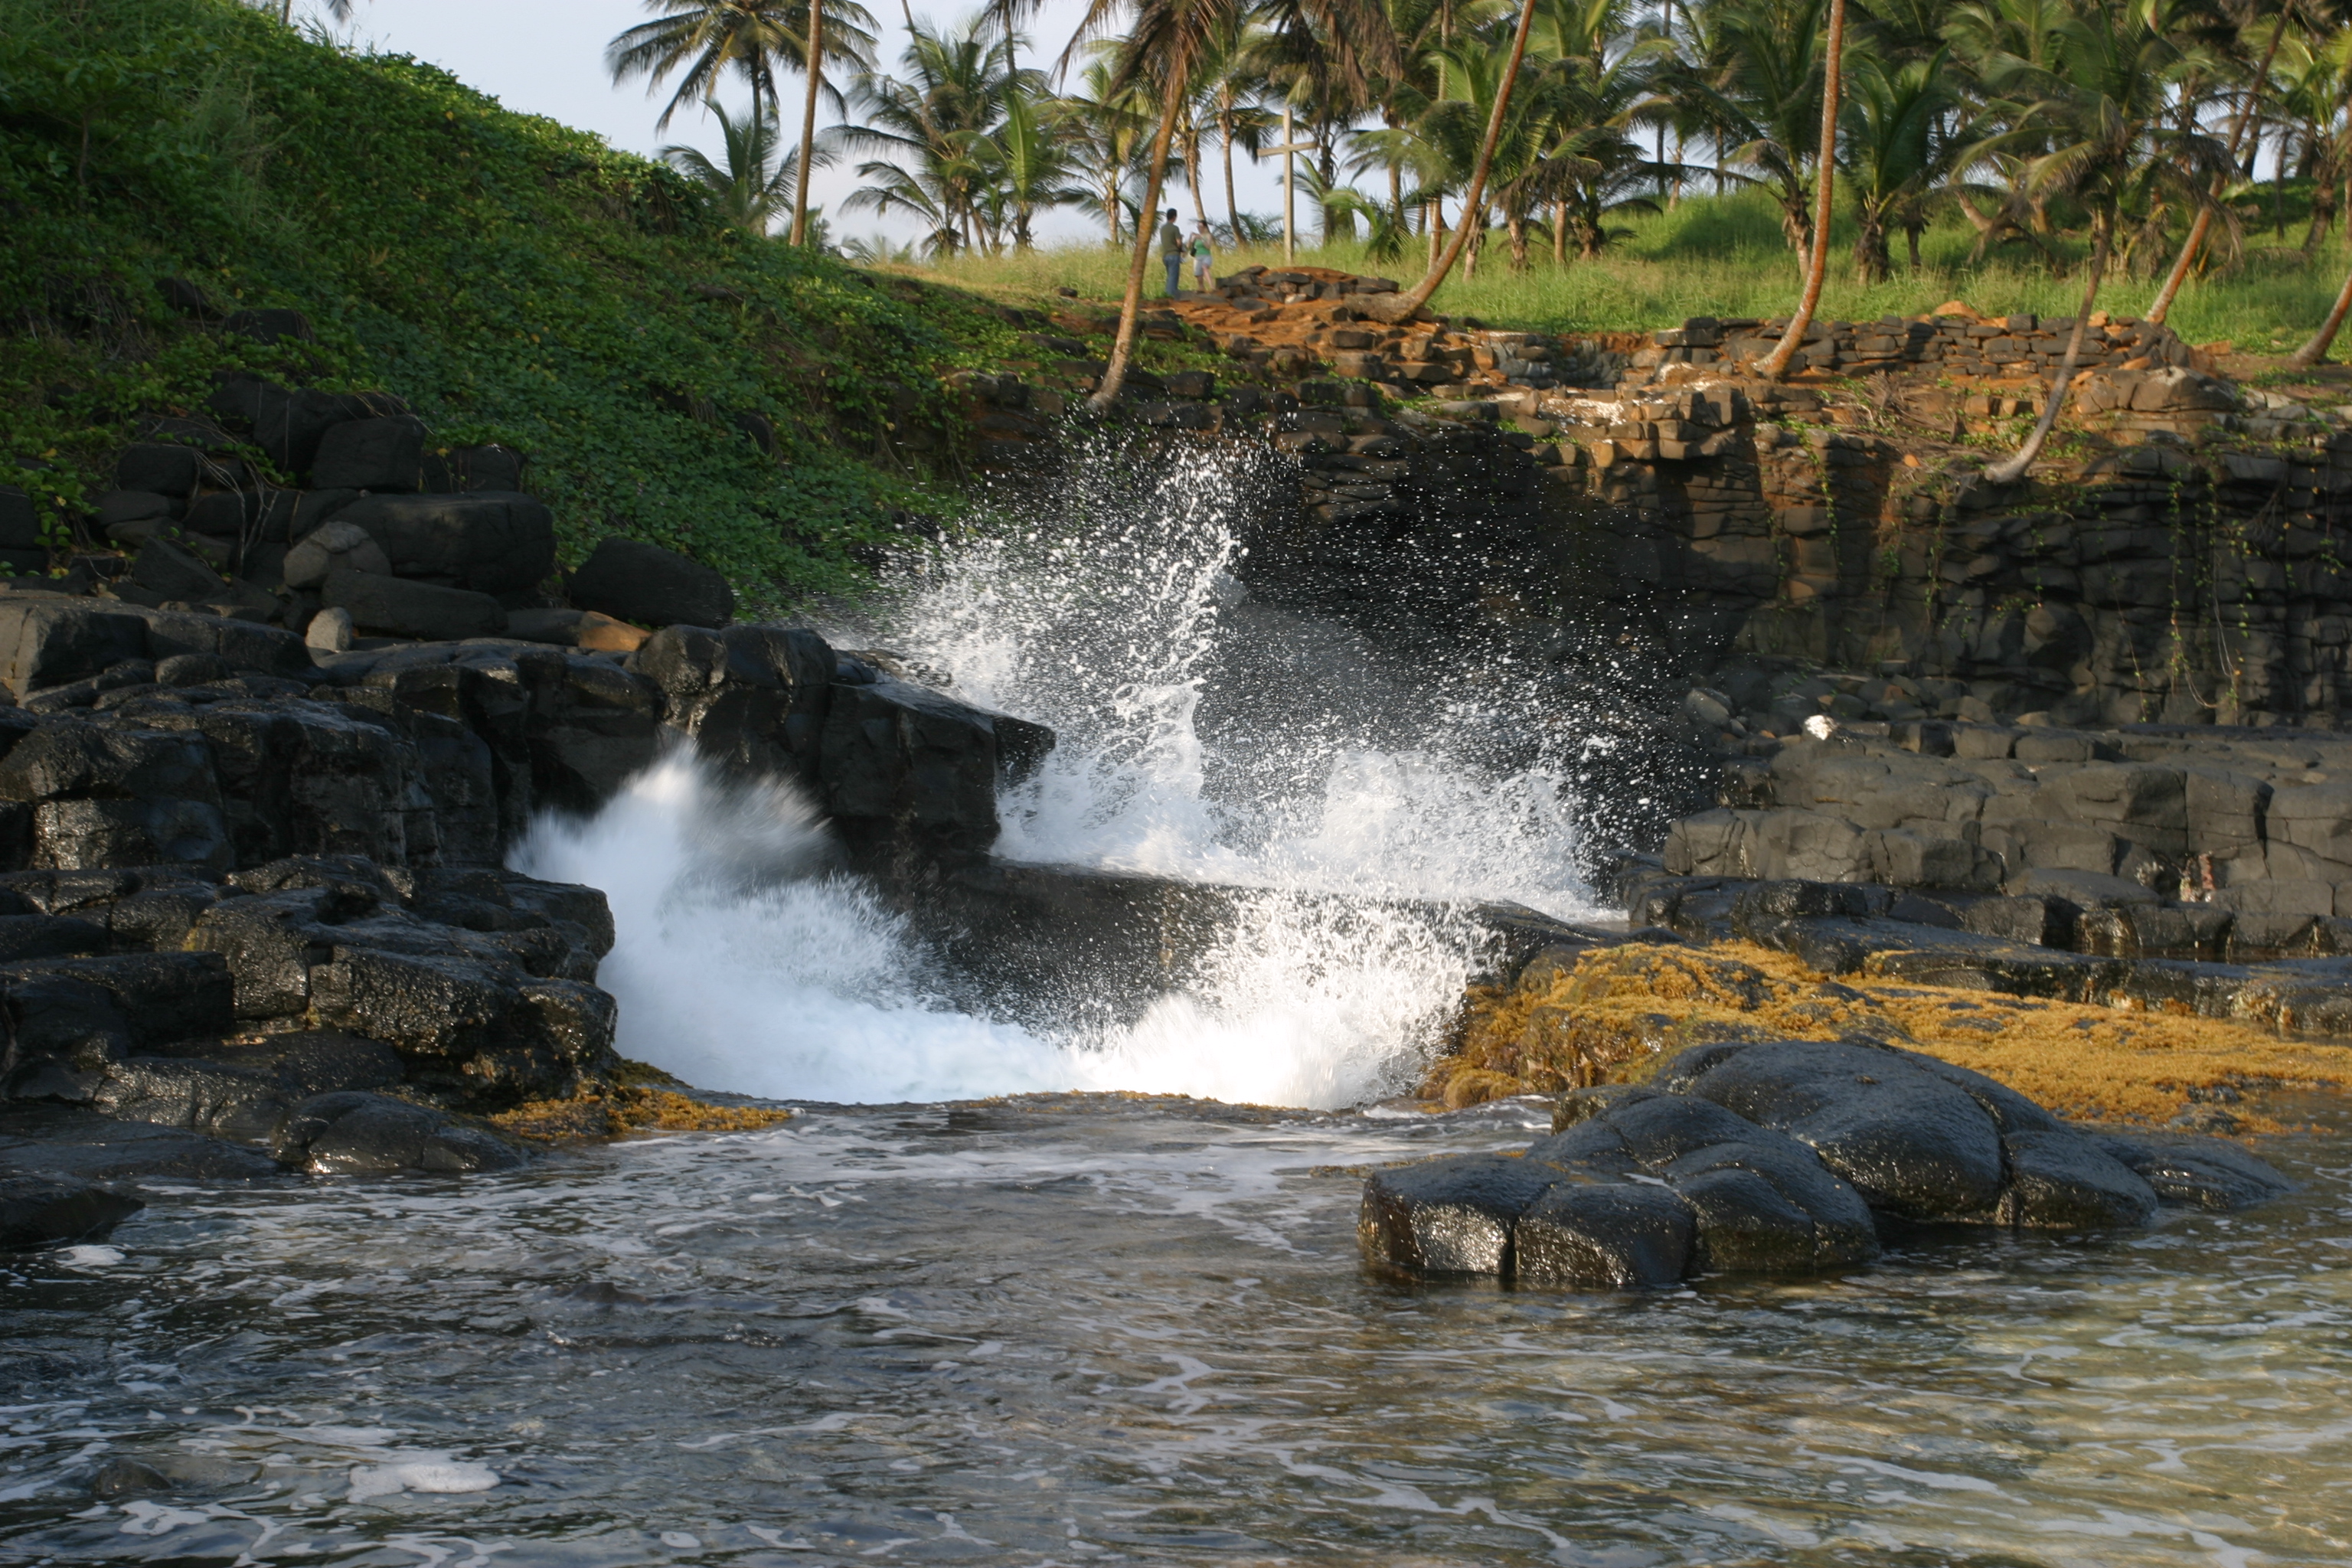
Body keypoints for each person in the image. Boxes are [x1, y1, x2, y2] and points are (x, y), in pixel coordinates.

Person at [1159, 208, 1184, 297]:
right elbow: (1179, 243)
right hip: (1174, 254)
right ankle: (1170, 296)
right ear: (1174, 217)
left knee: (1170, 276)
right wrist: (1181, 247)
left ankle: (1172, 294)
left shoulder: (1163, 229)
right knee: (1173, 277)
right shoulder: (1175, 228)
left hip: (1165, 255)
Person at [1190, 220, 1215, 292]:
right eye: (1198, 226)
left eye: (1200, 226)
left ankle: (1212, 287)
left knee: (1204, 267)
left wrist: (1202, 239)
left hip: (1206, 255)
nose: (1199, 228)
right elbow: (1189, 245)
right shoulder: (1197, 236)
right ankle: (1201, 288)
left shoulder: (1208, 235)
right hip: (1197, 256)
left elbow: (1208, 247)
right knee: (1198, 274)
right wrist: (1191, 237)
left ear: (1204, 227)